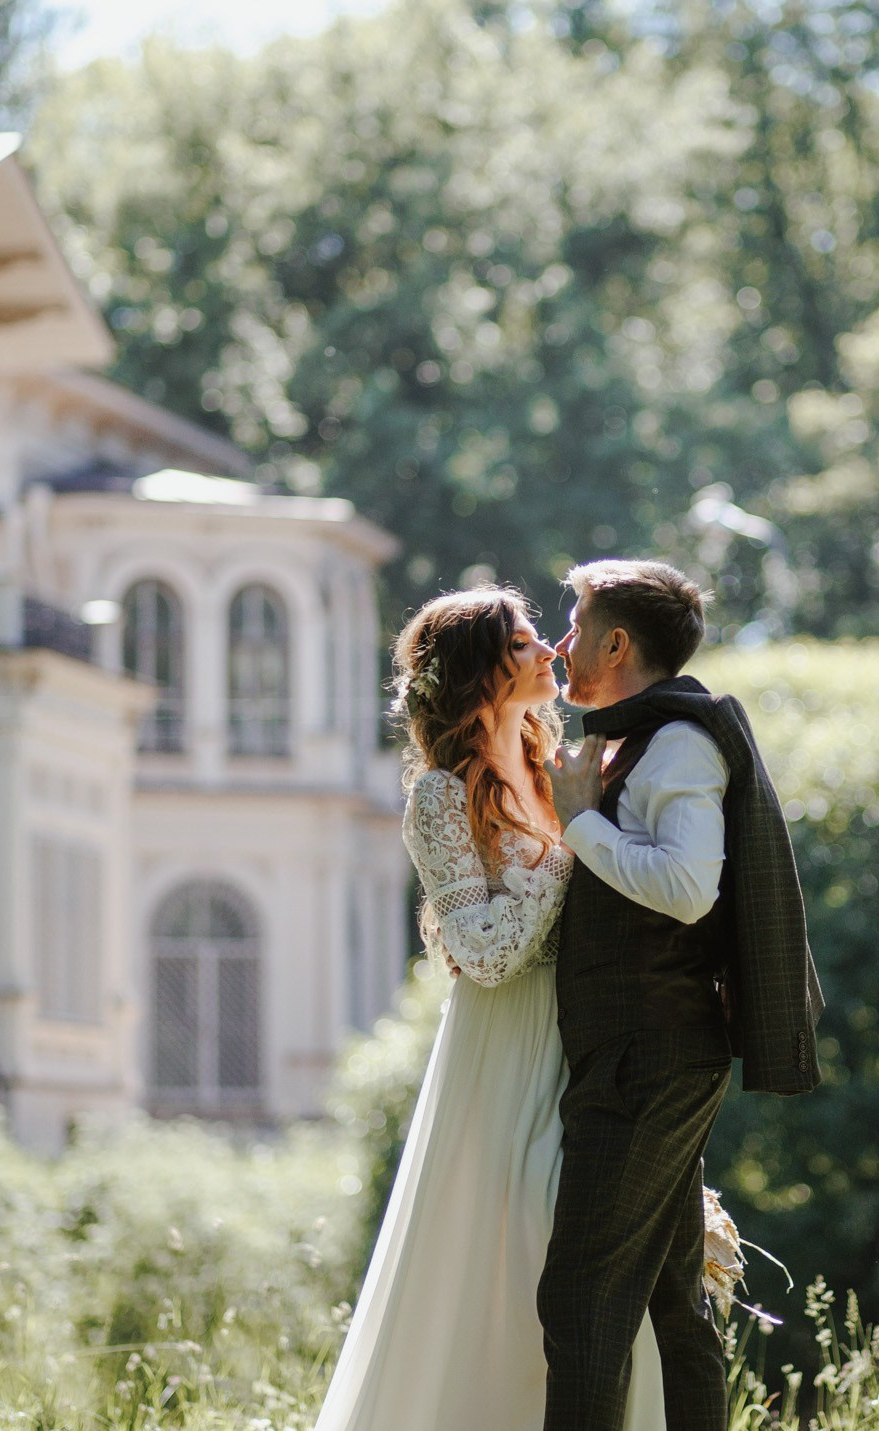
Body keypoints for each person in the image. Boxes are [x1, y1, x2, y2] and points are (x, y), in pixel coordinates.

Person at [312, 587, 666, 1431]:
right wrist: (570, 845)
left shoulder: (565, 768)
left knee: (595, 1259)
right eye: (522, 639)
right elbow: (483, 952)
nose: (549, 648)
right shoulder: (440, 796)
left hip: (580, 1036)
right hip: (502, 1050)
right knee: (512, 1256)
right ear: (479, 670)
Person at [538, 559, 822, 1431]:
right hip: (642, 1052)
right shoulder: (640, 739)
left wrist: (580, 820)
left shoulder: (681, 743)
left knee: (581, 1294)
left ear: (616, 642)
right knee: (672, 1298)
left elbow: (690, 886)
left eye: (575, 624)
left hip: (648, 1058)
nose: (559, 643)